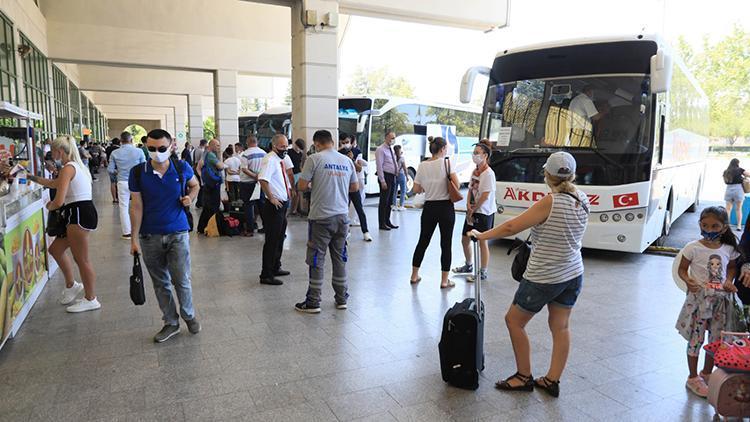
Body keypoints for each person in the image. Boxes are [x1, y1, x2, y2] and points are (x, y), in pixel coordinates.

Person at [472, 151, 589, 398]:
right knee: (560, 326)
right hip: (573, 272)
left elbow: (513, 226)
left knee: (514, 320)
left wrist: (481, 235)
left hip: (544, 275)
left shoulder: (551, 201)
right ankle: (551, 380)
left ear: (547, 174)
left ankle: (523, 376)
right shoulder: (582, 197)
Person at [129, 129, 201, 343]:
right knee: (160, 282)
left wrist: (190, 197)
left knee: (181, 279)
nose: (156, 152)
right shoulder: (138, 172)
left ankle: (189, 315)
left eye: (161, 148)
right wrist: (133, 238)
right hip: (149, 235)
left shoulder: (181, 167)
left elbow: (195, 185)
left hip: (177, 232)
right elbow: (136, 206)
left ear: (171, 147)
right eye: (151, 149)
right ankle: (170, 322)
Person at [28, 136, 100, 313]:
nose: (51, 155)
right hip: (80, 212)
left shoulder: (68, 168)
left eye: (52, 151)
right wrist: (32, 177)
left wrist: (50, 206)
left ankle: (91, 298)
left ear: (60, 151)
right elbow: (54, 183)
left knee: (81, 259)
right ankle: (71, 285)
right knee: (56, 250)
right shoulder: (77, 166)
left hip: (78, 214)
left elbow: (58, 200)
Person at [675, 206, 740, 398]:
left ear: (724, 228)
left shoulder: (729, 249)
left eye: (714, 226)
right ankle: (693, 377)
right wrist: (689, 280)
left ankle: (707, 374)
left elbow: (732, 268)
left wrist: (729, 281)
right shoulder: (692, 247)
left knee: (715, 341)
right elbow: (682, 269)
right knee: (696, 339)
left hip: (721, 303)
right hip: (699, 302)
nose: (709, 229)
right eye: (704, 225)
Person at [294, 130, 358, 312]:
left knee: (316, 259)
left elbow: (301, 186)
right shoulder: (346, 161)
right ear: (332, 141)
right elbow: (355, 187)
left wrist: (317, 183)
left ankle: (313, 301)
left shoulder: (314, 159)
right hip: (342, 218)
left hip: (321, 218)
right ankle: (341, 298)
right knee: (339, 258)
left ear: (317, 143)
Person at [408, 137, 459, 288]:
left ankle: (414, 275)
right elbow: (456, 185)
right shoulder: (447, 163)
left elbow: (416, 189)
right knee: (446, 244)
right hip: (446, 208)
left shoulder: (422, 165)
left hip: (429, 208)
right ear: (442, 149)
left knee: (423, 241)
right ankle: (444, 281)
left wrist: (428, 186)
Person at [453, 140, 496, 282]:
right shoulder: (475, 171)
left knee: (482, 241)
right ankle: (468, 264)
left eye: (477, 153)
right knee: (465, 239)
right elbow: (471, 189)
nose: (474, 155)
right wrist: (468, 205)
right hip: (472, 210)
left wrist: (474, 208)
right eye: (474, 153)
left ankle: (483, 271)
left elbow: (485, 195)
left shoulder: (488, 174)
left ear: (485, 155)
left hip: (484, 212)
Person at [258, 134, 293, 285]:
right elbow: (263, 179)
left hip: (282, 205)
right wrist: (271, 197)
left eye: (286, 146)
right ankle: (266, 274)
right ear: (274, 146)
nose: (285, 149)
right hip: (274, 206)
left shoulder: (279, 160)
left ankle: (275, 266)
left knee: (279, 238)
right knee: (272, 240)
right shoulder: (270, 159)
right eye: (282, 146)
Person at [107, 131, 146, 239]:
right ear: (131, 140)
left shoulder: (115, 153)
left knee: (123, 207)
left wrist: (119, 171)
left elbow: (110, 170)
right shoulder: (139, 151)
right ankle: (142, 230)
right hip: (137, 182)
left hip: (122, 182)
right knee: (140, 205)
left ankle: (127, 232)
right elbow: (144, 166)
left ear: (120, 141)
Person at [338, 133, 371, 242]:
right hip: (343, 185)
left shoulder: (357, 152)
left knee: (359, 208)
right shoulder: (338, 153)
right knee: (343, 209)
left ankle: (366, 231)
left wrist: (351, 160)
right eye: (343, 142)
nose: (345, 144)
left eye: (347, 142)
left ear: (351, 142)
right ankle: (345, 231)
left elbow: (359, 169)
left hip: (354, 184)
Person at [196, 139, 225, 234]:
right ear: (211, 145)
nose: (218, 147)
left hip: (208, 183)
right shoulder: (211, 155)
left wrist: (203, 178)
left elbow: (198, 168)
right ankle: (211, 227)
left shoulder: (205, 154)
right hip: (213, 184)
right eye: (217, 145)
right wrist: (222, 160)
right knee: (213, 206)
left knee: (208, 206)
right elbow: (220, 166)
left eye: (219, 145)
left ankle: (202, 227)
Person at [239, 135, 266, 236]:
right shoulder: (264, 153)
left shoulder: (245, 154)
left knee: (248, 206)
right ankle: (266, 227)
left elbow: (244, 169)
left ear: (247, 143)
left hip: (247, 183)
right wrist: (259, 177)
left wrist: (255, 176)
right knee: (262, 205)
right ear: (257, 142)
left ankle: (250, 230)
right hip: (261, 183)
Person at [376, 131, 399, 230]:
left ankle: (387, 221)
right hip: (385, 177)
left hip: (392, 177)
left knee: (390, 201)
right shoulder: (380, 150)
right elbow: (379, 166)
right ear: (386, 138)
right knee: (384, 201)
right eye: (391, 138)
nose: (392, 140)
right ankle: (382, 223)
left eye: (394, 138)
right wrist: (382, 180)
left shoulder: (391, 150)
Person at [723, 158, 749, 231]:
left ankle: (727, 226)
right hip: (738, 190)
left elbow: (725, 181)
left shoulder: (726, 171)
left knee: (728, 209)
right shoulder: (740, 169)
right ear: (737, 163)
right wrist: (744, 177)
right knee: (738, 209)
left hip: (729, 190)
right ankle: (739, 226)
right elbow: (749, 174)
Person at [287, 138, 305, 215]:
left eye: (301, 148)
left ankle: (294, 210)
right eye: (298, 147)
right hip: (291, 174)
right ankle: (288, 210)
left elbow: (300, 164)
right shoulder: (289, 152)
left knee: (297, 193)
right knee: (290, 192)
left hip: (298, 173)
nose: (299, 149)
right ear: (295, 145)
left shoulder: (300, 154)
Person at [391, 145, 408, 211]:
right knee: (403, 191)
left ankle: (394, 205)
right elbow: (404, 168)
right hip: (401, 175)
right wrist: (407, 176)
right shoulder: (402, 158)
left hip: (395, 175)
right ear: (399, 150)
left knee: (394, 191)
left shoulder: (393, 158)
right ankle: (401, 206)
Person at [105, 138, 120, 203]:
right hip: (119, 167)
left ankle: (114, 199)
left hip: (111, 167)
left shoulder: (108, 148)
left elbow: (106, 157)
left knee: (112, 183)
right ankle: (119, 197)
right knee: (119, 183)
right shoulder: (119, 149)